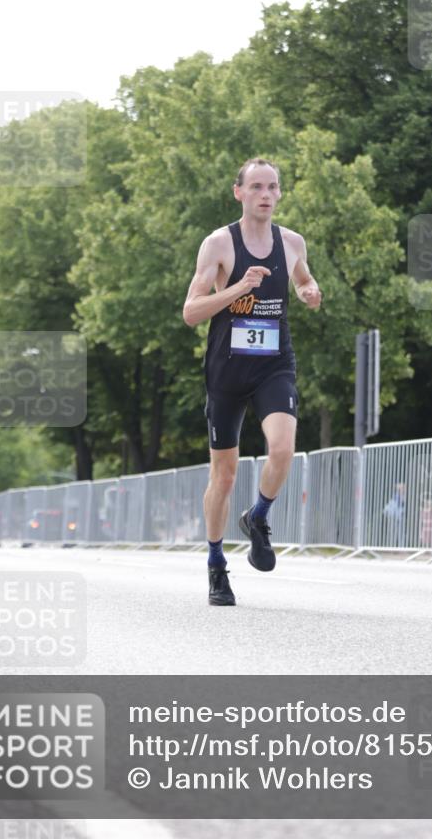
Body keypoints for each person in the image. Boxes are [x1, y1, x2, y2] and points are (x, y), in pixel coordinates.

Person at [182, 157, 321, 606]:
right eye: (256, 186)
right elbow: (191, 312)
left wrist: (308, 292)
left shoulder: (292, 242)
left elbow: (304, 279)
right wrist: (239, 288)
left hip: (273, 365)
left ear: (279, 193)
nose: (266, 194)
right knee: (223, 475)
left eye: (272, 186)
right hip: (227, 369)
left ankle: (258, 516)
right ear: (238, 192)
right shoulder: (219, 244)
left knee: (282, 448)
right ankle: (216, 565)